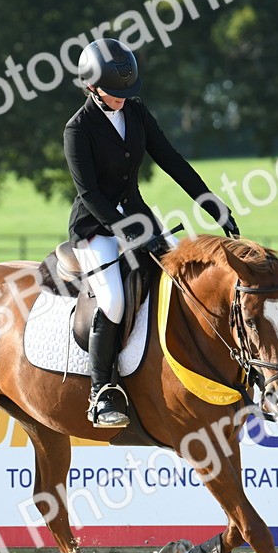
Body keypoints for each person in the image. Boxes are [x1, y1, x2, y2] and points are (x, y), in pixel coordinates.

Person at [64, 38, 238, 428]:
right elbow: (90, 194)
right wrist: (129, 234)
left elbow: (171, 159)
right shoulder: (78, 129)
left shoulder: (136, 111)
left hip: (139, 217)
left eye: (127, 91)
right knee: (113, 302)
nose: (122, 99)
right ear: (91, 86)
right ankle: (101, 391)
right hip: (96, 225)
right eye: (115, 92)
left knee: (183, 282)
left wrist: (212, 204)